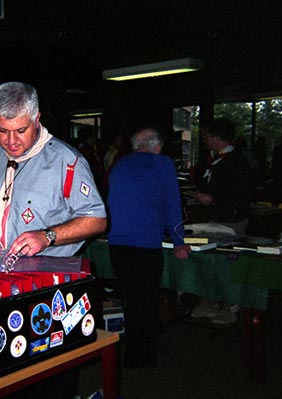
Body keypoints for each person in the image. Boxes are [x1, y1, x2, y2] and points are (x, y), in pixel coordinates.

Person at [0, 81, 107, 398]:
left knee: (51, 372)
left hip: (50, 287)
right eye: (2, 130)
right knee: (5, 367)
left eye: (20, 130)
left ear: (37, 119)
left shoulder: (66, 161)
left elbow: (97, 219)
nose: (11, 141)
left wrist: (47, 236)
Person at [106, 126, 191, 369]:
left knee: (130, 299)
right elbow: (173, 205)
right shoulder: (162, 163)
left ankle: (130, 354)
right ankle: (142, 358)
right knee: (147, 301)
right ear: (157, 146)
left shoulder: (119, 164)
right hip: (145, 243)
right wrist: (179, 242)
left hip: (117, 243)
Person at [191, 117, 253, 324]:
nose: (205, 140)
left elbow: (243, 195)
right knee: (208, 263)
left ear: (217, 138)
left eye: (207, 136)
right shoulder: (211, 159)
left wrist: (214, 199)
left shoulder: (238, 161)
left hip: (231, 220)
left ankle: (231, 307)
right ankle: (208, 303)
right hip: (212, 219)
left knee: (229, 266)